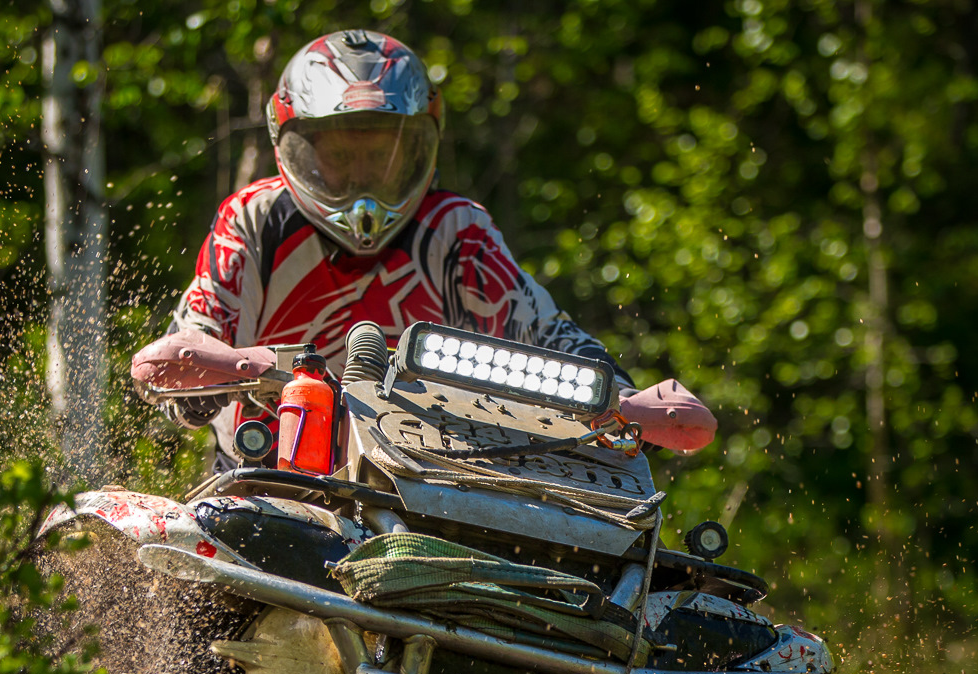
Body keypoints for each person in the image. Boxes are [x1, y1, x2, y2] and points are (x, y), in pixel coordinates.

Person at [154, 29, 637, 466]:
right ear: (296, 145)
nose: (363, 175)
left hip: (431, 483)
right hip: (265, 475)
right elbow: (196, 329)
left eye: (382, 155)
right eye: (340, 155)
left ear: (420, 146)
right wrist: (197, 377)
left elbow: (547, 333)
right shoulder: (254, 219)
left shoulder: (457, 230)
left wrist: (625, 397)